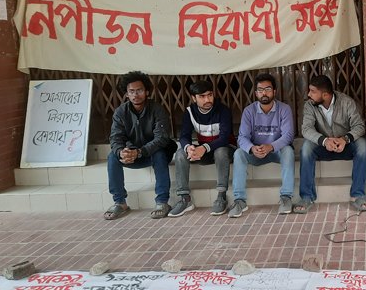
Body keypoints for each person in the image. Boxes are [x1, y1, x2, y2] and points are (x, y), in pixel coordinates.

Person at [104, 71, 177, 220]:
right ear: (126, 94)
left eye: (139, 90)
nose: (136, 95)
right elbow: (115, 138)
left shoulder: (157, 109)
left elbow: (162, 138)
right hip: (134, 155)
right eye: (131, 91)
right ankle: (120, 202)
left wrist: (140, 152)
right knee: (112, 156)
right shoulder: (120, 112)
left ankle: (162, 202)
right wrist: (121, 152)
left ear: (147, 92)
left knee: (159, 153)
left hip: (153, 153)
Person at [293, 75, 366, 214]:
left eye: (312, 91)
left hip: (344, 146)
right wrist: (324, 140)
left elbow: (359, 126)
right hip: (322, 146)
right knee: (306, 148)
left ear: (325, 94)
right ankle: (306, 197)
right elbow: (306, 129)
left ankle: (358, 194)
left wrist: (344, 139)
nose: (309, 94)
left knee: (362, 145)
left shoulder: (346, 102)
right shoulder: (309, 105)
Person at [229, 73, 295, 218]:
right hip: (257, 153)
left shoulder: (284, 109)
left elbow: (288, 136)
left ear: (274, 91)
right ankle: (240, 201)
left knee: (288, 151)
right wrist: (252, 148)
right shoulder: (249, 111)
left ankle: (286, 197)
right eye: (260, 90)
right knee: (239, 153)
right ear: (255, 93)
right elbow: (242, 137)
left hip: (276, 152)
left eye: (267, 89)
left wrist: (270, 147)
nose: (264, 93)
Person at [170, 80, 234, 217]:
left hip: (226, 149)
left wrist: (204, 147)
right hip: (204, 153)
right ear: (194, 98)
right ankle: (184, 198)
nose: (207, 99)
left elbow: (224, 138)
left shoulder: (223, 110)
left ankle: (221, 195)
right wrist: (189, 148)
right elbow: (184, 136)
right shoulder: (190, 112)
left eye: (210, 95)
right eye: (202, 96)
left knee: (221, 151)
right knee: (180, 153)